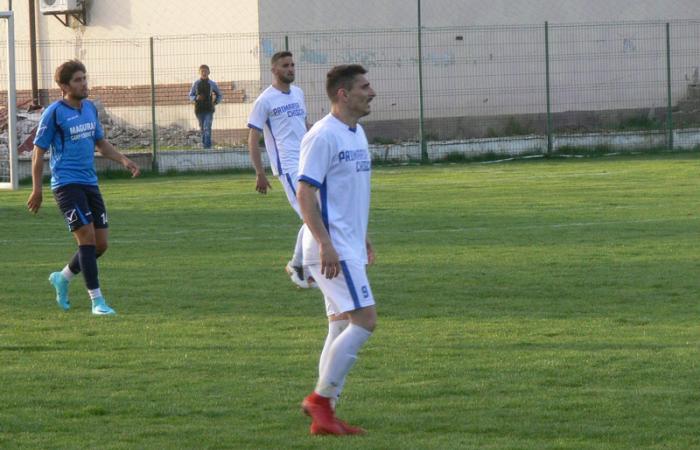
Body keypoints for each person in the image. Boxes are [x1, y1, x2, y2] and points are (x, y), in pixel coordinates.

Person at [297, 64, 377, 435]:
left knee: (341, 324)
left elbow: (346, 194)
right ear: (343, 94)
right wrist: (326, 244)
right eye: (364, 87)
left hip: (347, 243)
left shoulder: (356, 133)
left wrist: (362, 235)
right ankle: (320, 400)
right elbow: (305, 193)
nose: (371, 92)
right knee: (366, 321)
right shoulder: (322, 135)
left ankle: (325, 414)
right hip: (331, 249)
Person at [26, 59, 141, 315]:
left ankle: (63, 277)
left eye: (84, 78)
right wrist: (37, 189)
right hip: (66, 185)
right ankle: (97, 302)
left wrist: (124, 160)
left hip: (90, 183)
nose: (84, 83)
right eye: (78, 80)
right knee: (86, 237)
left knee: (100, 244)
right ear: (65, 86)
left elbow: (101, 143)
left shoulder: (89, 108)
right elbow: (38, 152)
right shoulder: (54, 113)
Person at [247, 51, 315, 289]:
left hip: (308, 162)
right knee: (311, 216)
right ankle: (298, 265)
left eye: (293, 64)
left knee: (318, 216)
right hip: (288, 167)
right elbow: (253, 138)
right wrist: (260, 172)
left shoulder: (298, 93)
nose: (291, 69)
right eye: (285, 65)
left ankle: (302, 266)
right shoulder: (264, 100)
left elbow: (304, 125)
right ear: (274, 70)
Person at [188, 64, 222, 149]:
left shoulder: (212, 84)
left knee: (207, 127)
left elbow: (219, 95)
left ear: (209, 72)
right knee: (202, 128)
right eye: (202, 71)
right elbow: (190, 95)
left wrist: (215, 102)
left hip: (209, 109)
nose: (204, 73)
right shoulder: (196, 83)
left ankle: (208, 147)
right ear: (199, 72)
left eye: (205, 71)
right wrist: (196, 98)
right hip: (199, 109)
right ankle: (204, 146)